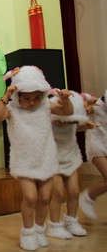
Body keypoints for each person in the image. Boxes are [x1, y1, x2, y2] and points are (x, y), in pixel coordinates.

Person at [0, 66, 73, 251]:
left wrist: (66, 99)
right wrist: (6, 95)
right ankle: (27, 232)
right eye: (27, 98)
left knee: (44, 198)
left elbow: (67, 112)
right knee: (30, 197)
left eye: (36, 98)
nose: (32, 103)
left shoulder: (45, 106)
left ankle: (39, 229)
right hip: (24, 160)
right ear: (18, 95)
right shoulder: (12, 109)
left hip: (45, 157)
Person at [47, 91, 93, 239]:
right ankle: (54, 225)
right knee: (58, 193)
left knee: (74, 191)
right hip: (53, 158)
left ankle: (71, 221)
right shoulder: (49, 119)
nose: (66, 123)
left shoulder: (73, 120)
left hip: (70, 156)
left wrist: (85, 126)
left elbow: (77, 127)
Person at [79, 91, 107, 220]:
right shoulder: (97, 105)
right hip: (97, 146)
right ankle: (88, 197)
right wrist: (85, 105)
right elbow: (78, 115)